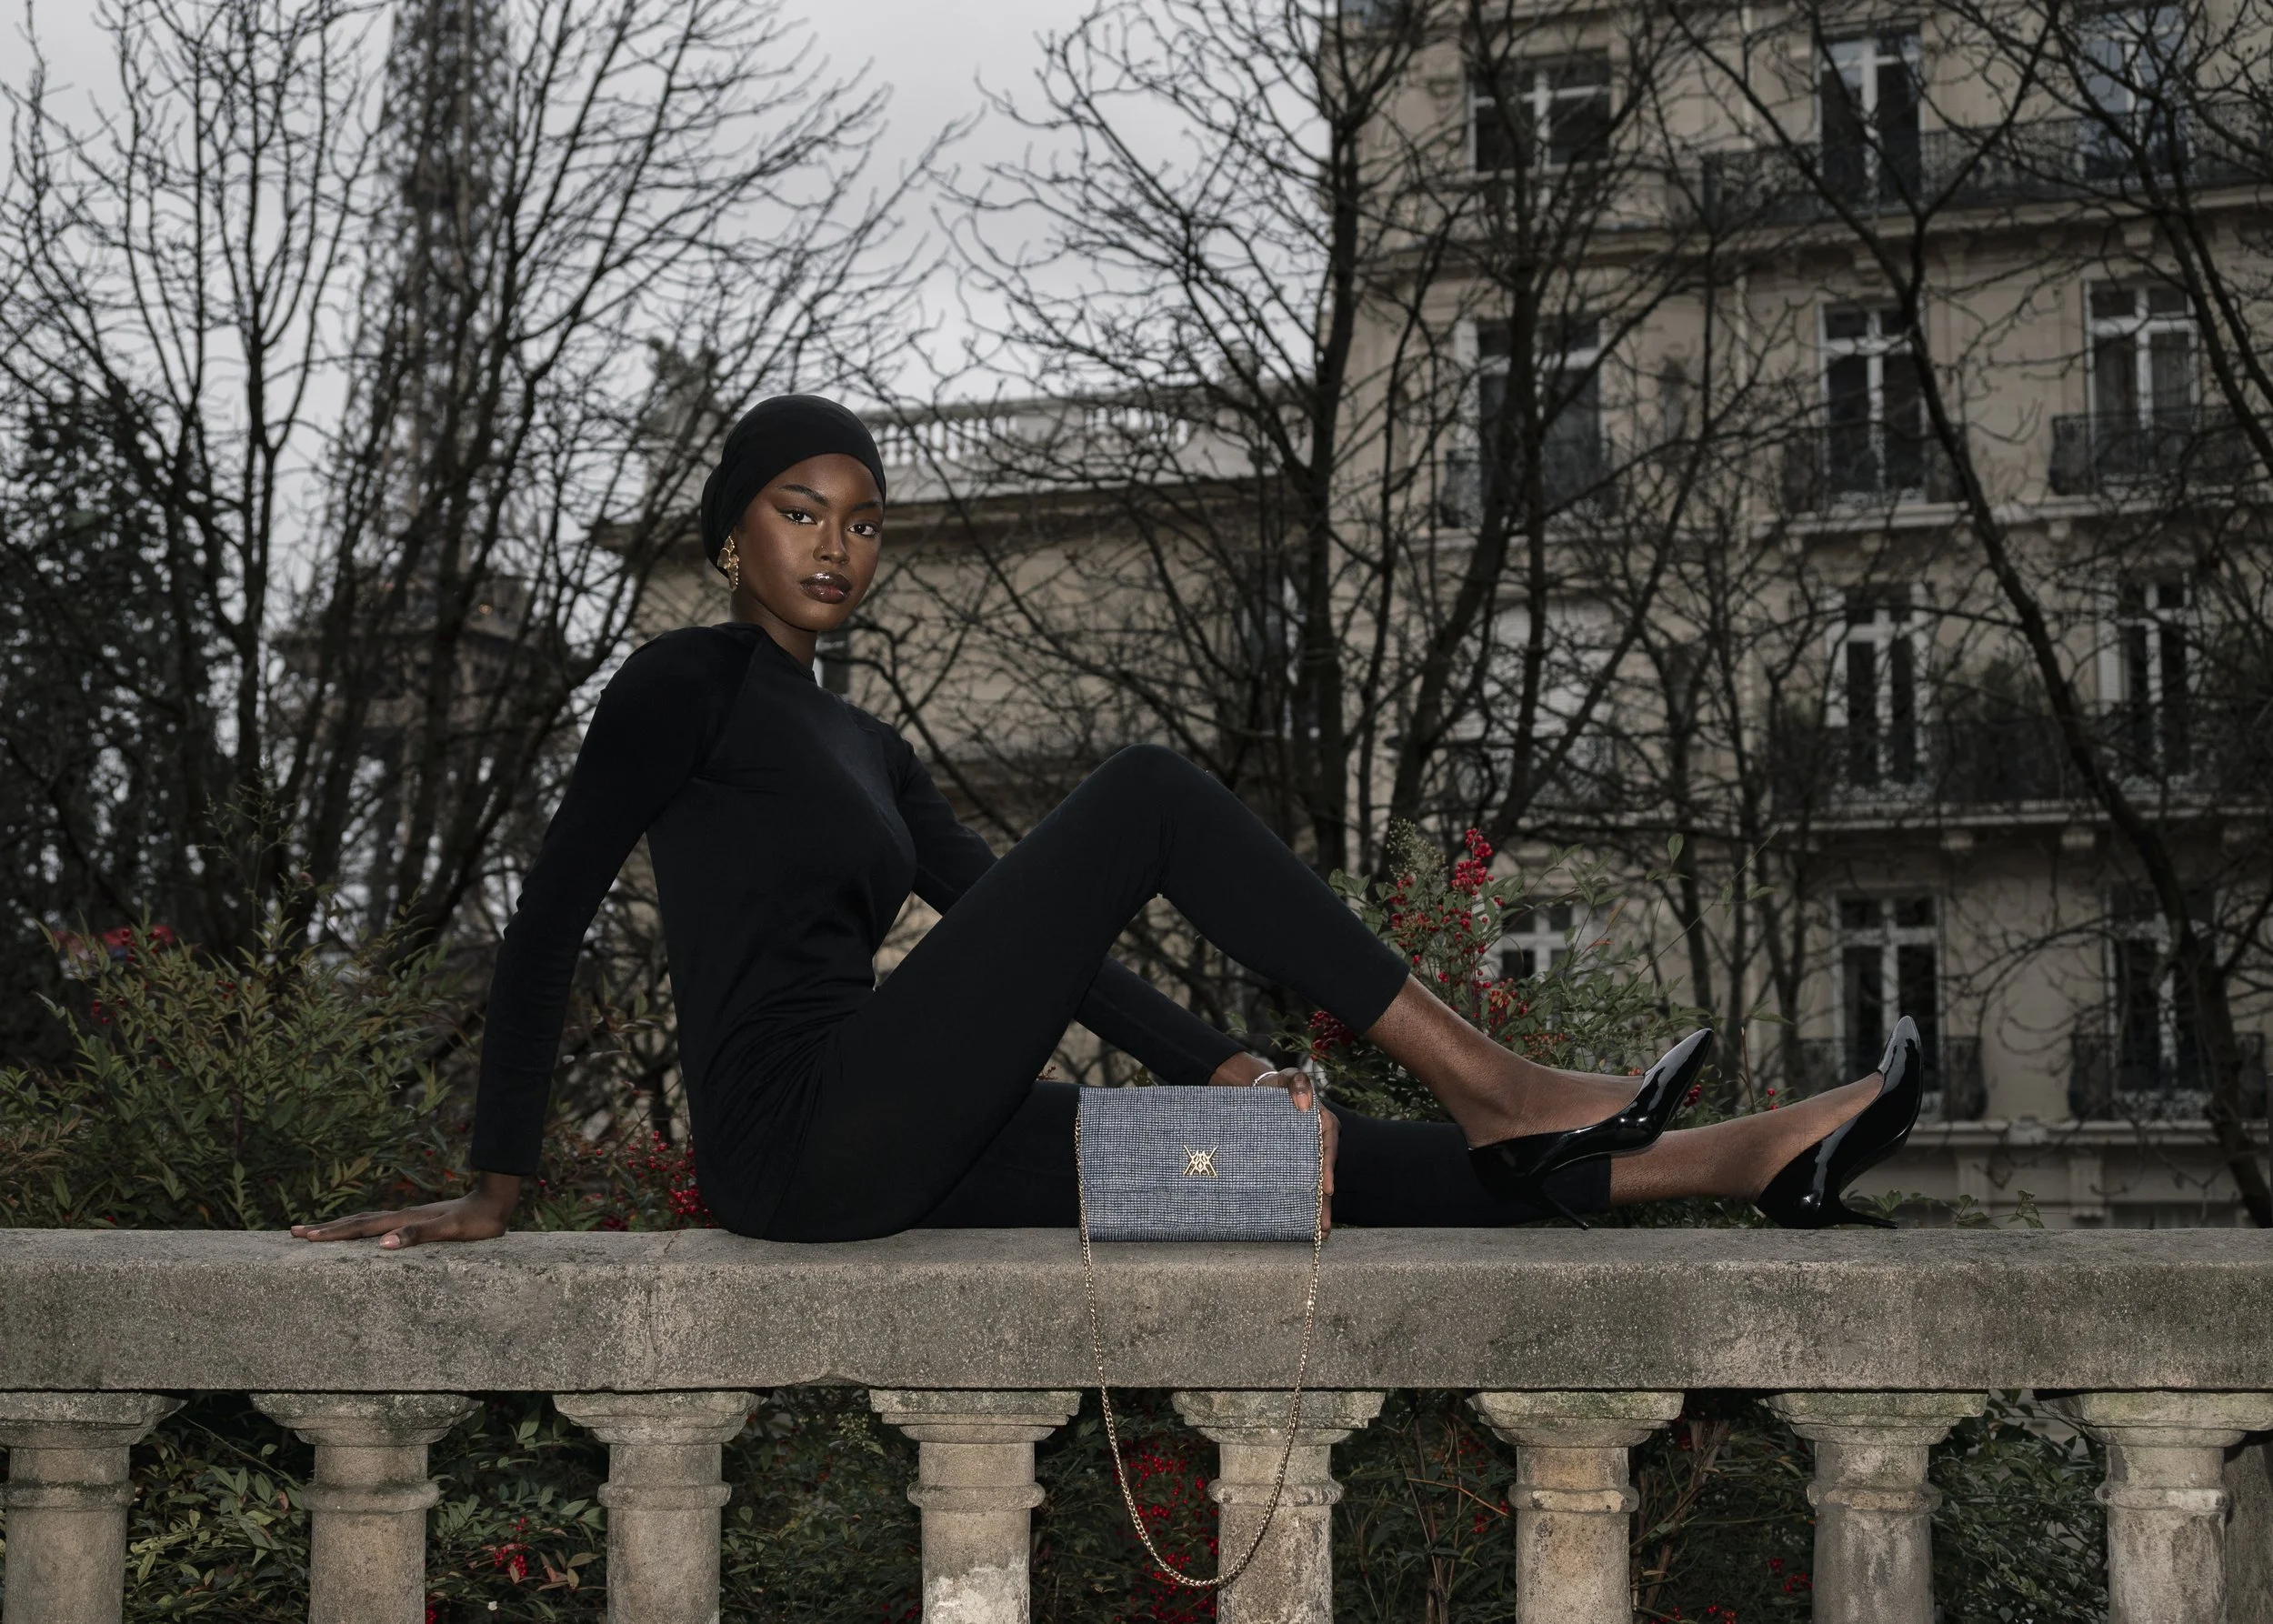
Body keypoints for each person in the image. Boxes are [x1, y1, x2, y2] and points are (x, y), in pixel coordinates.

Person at [294, 396, 1920, 1250]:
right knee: (1144, 786)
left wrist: (1213, 1059)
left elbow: (1030, 930)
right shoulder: (680, 685)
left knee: (1288, 1167)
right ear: (732, 534)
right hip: (797, 1137)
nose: (838, 548)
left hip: (899, 1140)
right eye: (803, 512)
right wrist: (495, 1178)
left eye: (865, 521)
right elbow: (555, 908)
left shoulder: (865, 740)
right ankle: (1495, 1078)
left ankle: (1739, 1158)